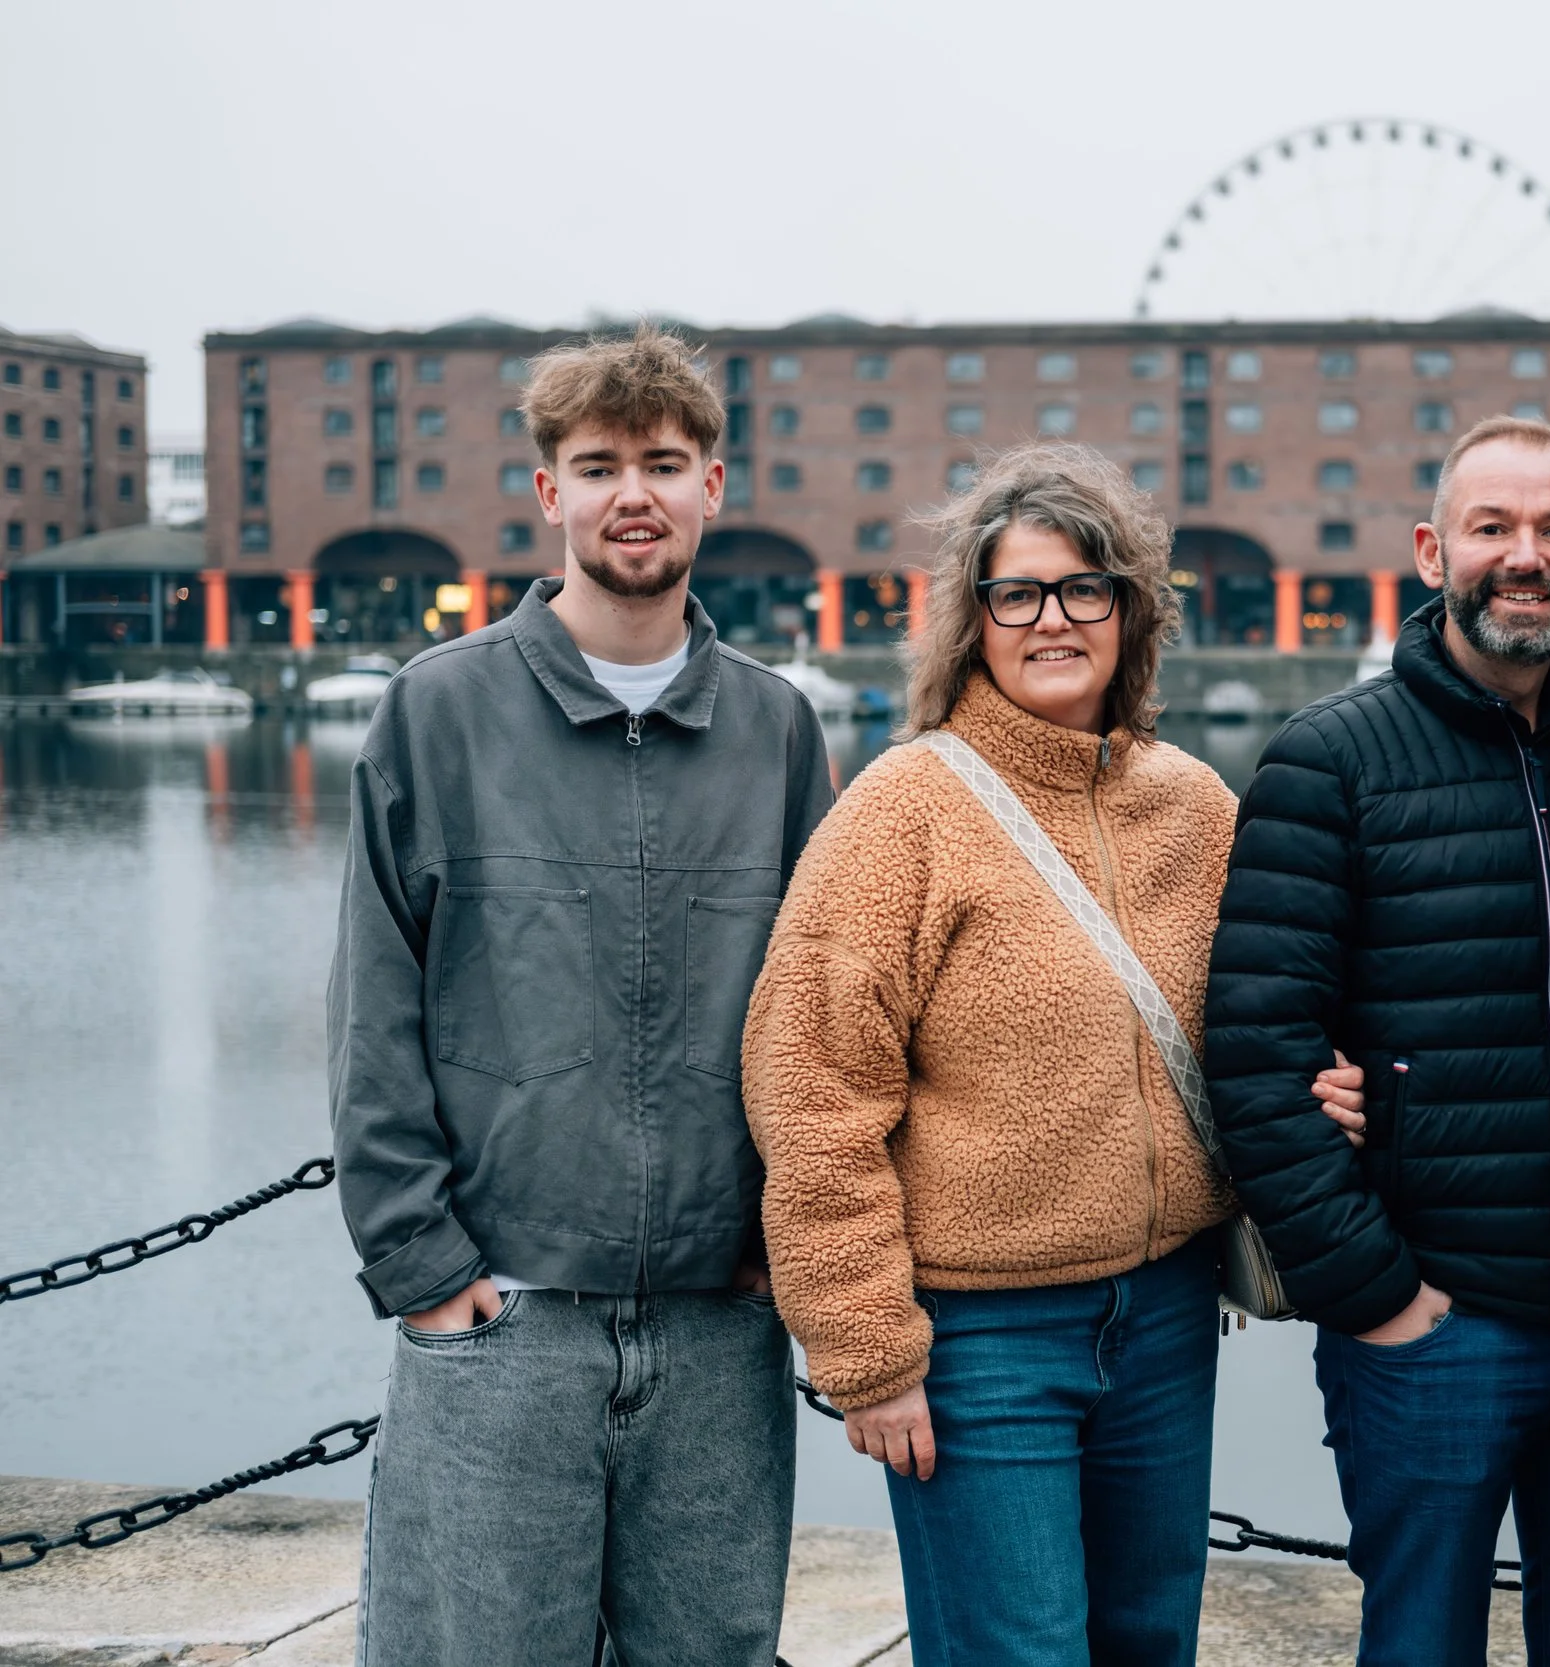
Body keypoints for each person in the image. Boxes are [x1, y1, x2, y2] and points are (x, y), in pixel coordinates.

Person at [740, 444, 1364, 1667]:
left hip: (1171, 1310)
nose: (1053, 618)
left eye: (1086, 587)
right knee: (1014, 1650)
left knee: (1146, 1640)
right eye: (1016, 592)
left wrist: (1316, 1087)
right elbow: (812, 1086)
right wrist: (867, 1354)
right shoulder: (903, 808)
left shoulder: (1194, 804)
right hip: (982, 1335)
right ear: (972, 621)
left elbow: (1263, 1014)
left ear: (1131, 612)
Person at [327, 325, 835, 1665]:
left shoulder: (778, 728)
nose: (635, 494)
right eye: (599, 464)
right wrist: (428, 1271)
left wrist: (798, 1259)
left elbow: (830, 1013)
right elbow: (373, 1004)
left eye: (664, 463)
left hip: (724, 1327)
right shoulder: (436, 713)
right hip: (508, 1319)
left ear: (714, 488)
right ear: (548, 492)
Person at [1205, 416, 1550, 1667]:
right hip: (1434, 1324)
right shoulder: (1328, 761)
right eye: (1493, 527)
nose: (1524, 556)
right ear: (1431, 550)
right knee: (1419, 1645)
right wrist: (1378, 1296)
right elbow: (1257, 1055)